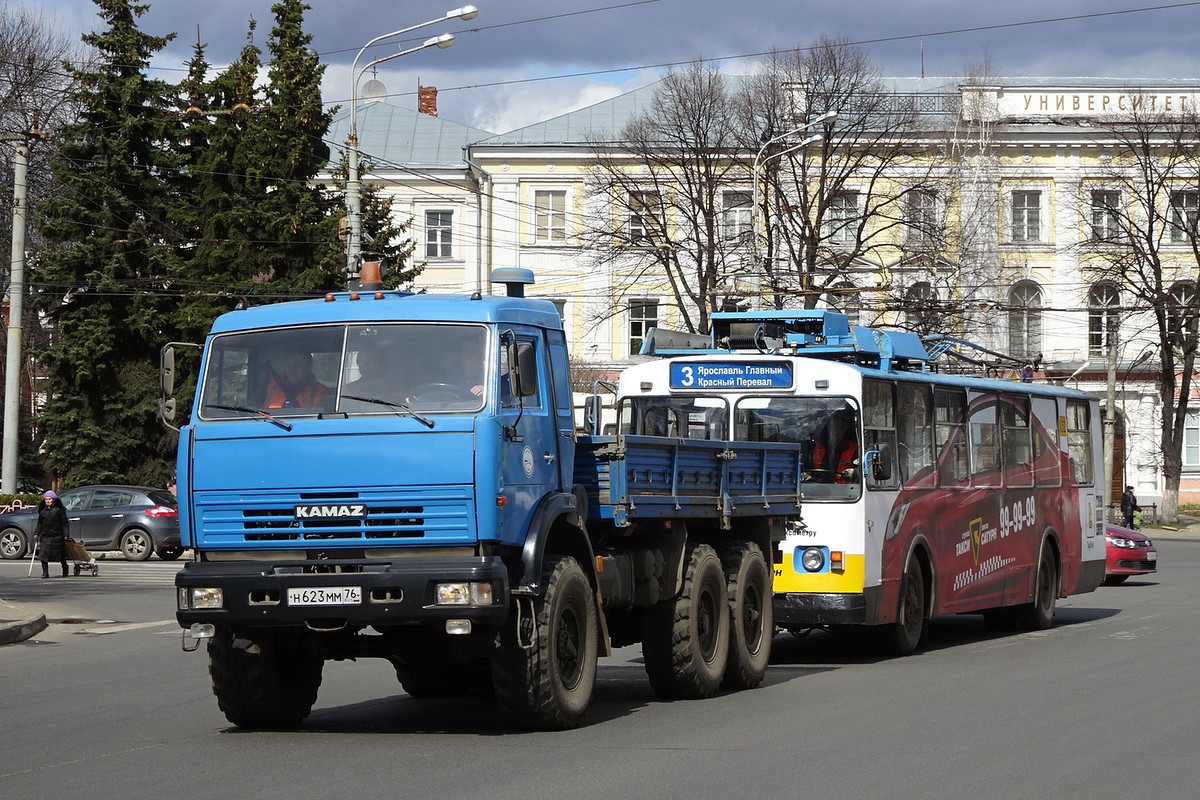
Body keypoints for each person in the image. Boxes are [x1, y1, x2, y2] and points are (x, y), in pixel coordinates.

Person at [264, 351, 329, 409]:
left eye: (297, 364)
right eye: (289, 364)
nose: (292, 369)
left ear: (308, 367)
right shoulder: (274, 387)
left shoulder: (319, 390)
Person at [810, 409, 859, 483]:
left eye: (841, 427)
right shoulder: (815, 446)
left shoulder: (854, 449)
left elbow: (861, 470)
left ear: (846, 429)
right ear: (828, 427)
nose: (836, 430)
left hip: (843, 491)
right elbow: (806, 466)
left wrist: (854, 472)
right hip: (815, 487)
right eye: (834, 426)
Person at [34, 490, 69, 579]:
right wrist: (37, 533)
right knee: (43, 555)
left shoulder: (59, 510)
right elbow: (40, 523)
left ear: (53, 500)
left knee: (60, 554)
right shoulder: (42, 511)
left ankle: (65, 567)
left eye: (49, 499)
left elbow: (65, 523)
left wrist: (66, 534)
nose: (48, 501)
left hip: (57, 535)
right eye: (46, 499)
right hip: (45, 535)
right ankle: (45, 572)